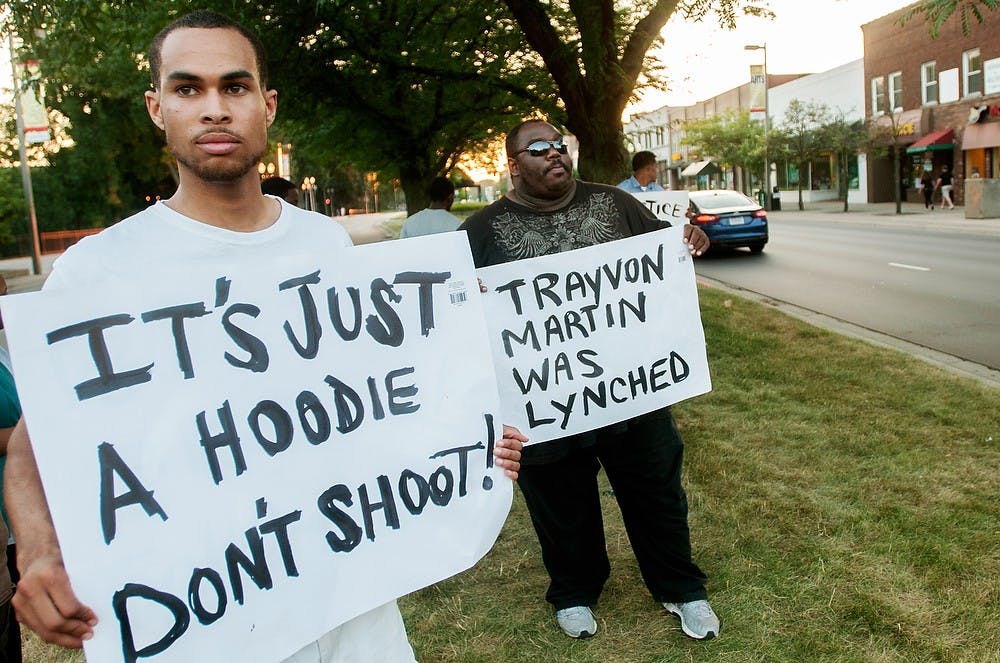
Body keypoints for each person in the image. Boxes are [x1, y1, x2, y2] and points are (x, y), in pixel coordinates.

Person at [2, 11, 524, 662]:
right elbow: (35, 441)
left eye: (236, 86)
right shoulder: (97, 271)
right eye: (188, 89)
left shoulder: (323, 242)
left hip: (352, 599)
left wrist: (466, 438)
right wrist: (40, 549)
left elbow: (365, 400)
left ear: (267, 105)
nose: (214, 108)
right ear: (155, 107)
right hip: (209, 613)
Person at [460, 119, 718, 643]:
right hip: (545, 401)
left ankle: (680, 586)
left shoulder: (616, 205)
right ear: (513, 164)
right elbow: (455, 310)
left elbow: (668, 256)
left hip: (633, 392)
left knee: (656, 490)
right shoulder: (480, 232)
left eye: (560, 145)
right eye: (539, 148)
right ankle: (575, 589)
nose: (555, 153)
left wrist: (691, 236)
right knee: (560, 502)